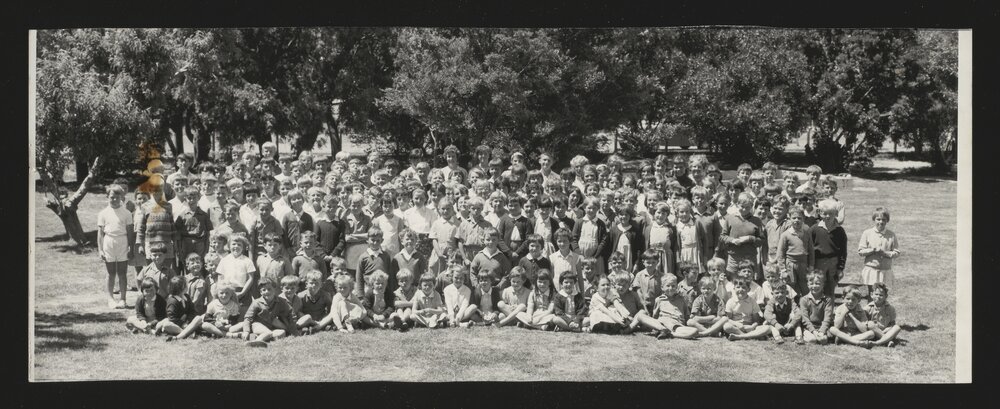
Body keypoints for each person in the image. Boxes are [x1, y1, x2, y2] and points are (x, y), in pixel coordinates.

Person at [97, 185, 133, 309]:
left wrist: (131, 248)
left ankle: (123, 299)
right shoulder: (103, 213)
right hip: (109, 242)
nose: (114, 200)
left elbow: (130, 232)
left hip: (122, 241)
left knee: (122, 272)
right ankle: (110, 299)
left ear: (122, 197)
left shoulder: (127, 213)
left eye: (117, 197)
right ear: (107, 197)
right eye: (112, 197)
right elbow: (100, 234)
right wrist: (100, 249)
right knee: (110, 273)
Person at [719, 192, 764, 282]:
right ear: (737, 204)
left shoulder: (756, 221)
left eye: (747, 207)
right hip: (734, 258)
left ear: (751, 206)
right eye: (742, 206)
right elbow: (722, 236)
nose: (744, 209)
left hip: (749, 258)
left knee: (749, 283)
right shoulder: (730, 219)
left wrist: (750, 238)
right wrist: (732, 240)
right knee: (733, 282)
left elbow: (761, 240)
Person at [242, 277, 297, 347]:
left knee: (282, 332)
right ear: (261, 292)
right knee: (267, 332)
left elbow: (290, 312)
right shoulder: (257, 303)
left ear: (275, 289)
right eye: (264, 290)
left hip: (271, 327)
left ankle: (258, 338)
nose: (267, 292)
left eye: (269, 289)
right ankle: (257, 341)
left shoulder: (280, 301)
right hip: (257, 325)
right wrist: (246, 331)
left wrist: (293, 329)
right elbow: (248, 318)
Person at [858, 207, 900, 290]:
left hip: (885, 271)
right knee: (871, 294)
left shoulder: (891, 234)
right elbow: (860, 251)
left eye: (884, 220)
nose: (881, 222)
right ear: (874, 219)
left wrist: (885, 253)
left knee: (883, 295)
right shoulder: (867, 233)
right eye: (878, 219)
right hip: (871, 270)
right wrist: (872, 250)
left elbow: (897, 252)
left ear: (887, 221)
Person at [811, 201, 848, 296]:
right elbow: (809, 248)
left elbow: (843, 251)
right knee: (817, 287)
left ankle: (828, 310)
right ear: (820, 213)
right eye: (825, 213)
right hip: (818, 262)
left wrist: (840, 268)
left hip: (833, 262)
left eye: (830, 214)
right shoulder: (815, 229)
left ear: (836, 214)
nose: (827, 216)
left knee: (830, 289)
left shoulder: (839, 231)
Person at [777, 207, 816, 296]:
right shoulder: (785, 235)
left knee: (805, 286)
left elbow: (811, 250)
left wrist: (811, 266)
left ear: (803, 219)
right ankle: (794, 307)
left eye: (799, 218)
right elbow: (780, 253)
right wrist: (783, 270)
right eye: (794, 218)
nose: (796, 220)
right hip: (790, 264)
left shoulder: (807, 233)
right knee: (792, 287)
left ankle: (806, 306)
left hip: (803, 264)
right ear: (789, 218)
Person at [215, 235, 257, 313]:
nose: (236, 246)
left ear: (244, 247)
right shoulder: (224, 260)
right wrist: (223, 290)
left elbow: (251, 278)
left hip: (242, 290)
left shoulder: (247, 261)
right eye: (233, 244)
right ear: (229, 246)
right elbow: (220, 277)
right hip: (227, 291)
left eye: (239, 245)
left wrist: (242, 292)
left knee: (242, 312)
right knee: (227, 312)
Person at [722, 277, 771, 341]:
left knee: (767, 328)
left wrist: (752, 327)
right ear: (734, 289)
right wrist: (736, 324)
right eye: (738, 287)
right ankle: (747, 335)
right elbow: (728, 319)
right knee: (726, 326)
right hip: (736, 326)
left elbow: (756, 320)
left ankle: (740, 336)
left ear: (749, 289)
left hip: (749, 326)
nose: (741, 289)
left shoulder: (752, 301)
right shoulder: (730, 301)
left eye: (744, 287)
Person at [642, 202, 677, 278]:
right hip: (653, 257)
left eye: (663, 214)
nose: (660, 216)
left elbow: (674, 244)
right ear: (654, 213)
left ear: (667, 215)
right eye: (658, 212)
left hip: (666, 257)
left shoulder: (670, 228)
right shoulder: (649, 228)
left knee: (666, 277)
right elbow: (645, 245)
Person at [355, 227, 392, 297]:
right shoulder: (363, 257)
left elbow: (390, 275)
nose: (375, 243)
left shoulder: (386, 256)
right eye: (372, 240)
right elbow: (359, 277)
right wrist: (360, 295)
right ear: (367, 240)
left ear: (382, 241)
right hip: (368, 289)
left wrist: (390, 292)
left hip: (382, 289)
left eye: (378, 240)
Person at [764, 279, 803, 344]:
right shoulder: (771, 302)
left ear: (786, 293)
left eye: (782, 292)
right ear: (772, 293)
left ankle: (799, 337)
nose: (780, 295)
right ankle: (777, 337)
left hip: (788, 325)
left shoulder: (790, 301)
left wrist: (792, 323)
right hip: (777, 325)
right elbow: (766, 314)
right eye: (777, 293)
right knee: (770, 320)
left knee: (796, 320)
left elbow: (799, 313)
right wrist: (776, 324)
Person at [800, 272, 834, 344]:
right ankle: (806, 335)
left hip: (821, 327)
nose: (814, 286)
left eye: (817, 283)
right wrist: (814, 331)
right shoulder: (804, 299)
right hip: (809, 327)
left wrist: (822, 331)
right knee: (812, 340)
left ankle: (823, 335)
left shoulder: (827, 300)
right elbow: (805, 318)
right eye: (811, 283)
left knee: (823, 340)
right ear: (807, 285)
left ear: (822, 285)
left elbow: (828, 317)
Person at [864, 282, 902, 347]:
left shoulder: (890, 308)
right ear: (871, 295)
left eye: (881, 295)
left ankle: (877, 343)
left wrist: (887, 329)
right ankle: (887, 341)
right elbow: (864, 324)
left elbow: (892, 323)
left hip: (886, 331)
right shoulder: (867, 308)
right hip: (873, 332)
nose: (878, 297)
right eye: (876, 294)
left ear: (886, 296)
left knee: (897, 327)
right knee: (870, 323)